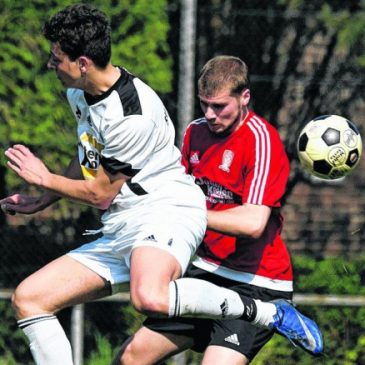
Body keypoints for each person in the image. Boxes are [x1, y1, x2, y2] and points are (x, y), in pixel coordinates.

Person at [0, 5, 322, 365]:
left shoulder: (131, 116)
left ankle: (265, 313)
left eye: (56, 58)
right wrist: (43, 197)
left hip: (163, 216)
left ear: (84, 63)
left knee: (149, 297)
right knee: (30, 298)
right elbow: (90, 154)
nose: (50, 64)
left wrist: (46, 177)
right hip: (134, 228)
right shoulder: (80, 93)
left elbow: (100, 193)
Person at [114, 56, 324, 365]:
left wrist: (189, 213)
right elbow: (175, 192)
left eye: (220, 106)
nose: (210, 115)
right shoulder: (194, 134)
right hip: (206, 274)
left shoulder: (262, 140)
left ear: (244, 98)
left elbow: (254, 222)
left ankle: (278, 316)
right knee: (130, 356)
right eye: (204, 105)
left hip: (257, 283)